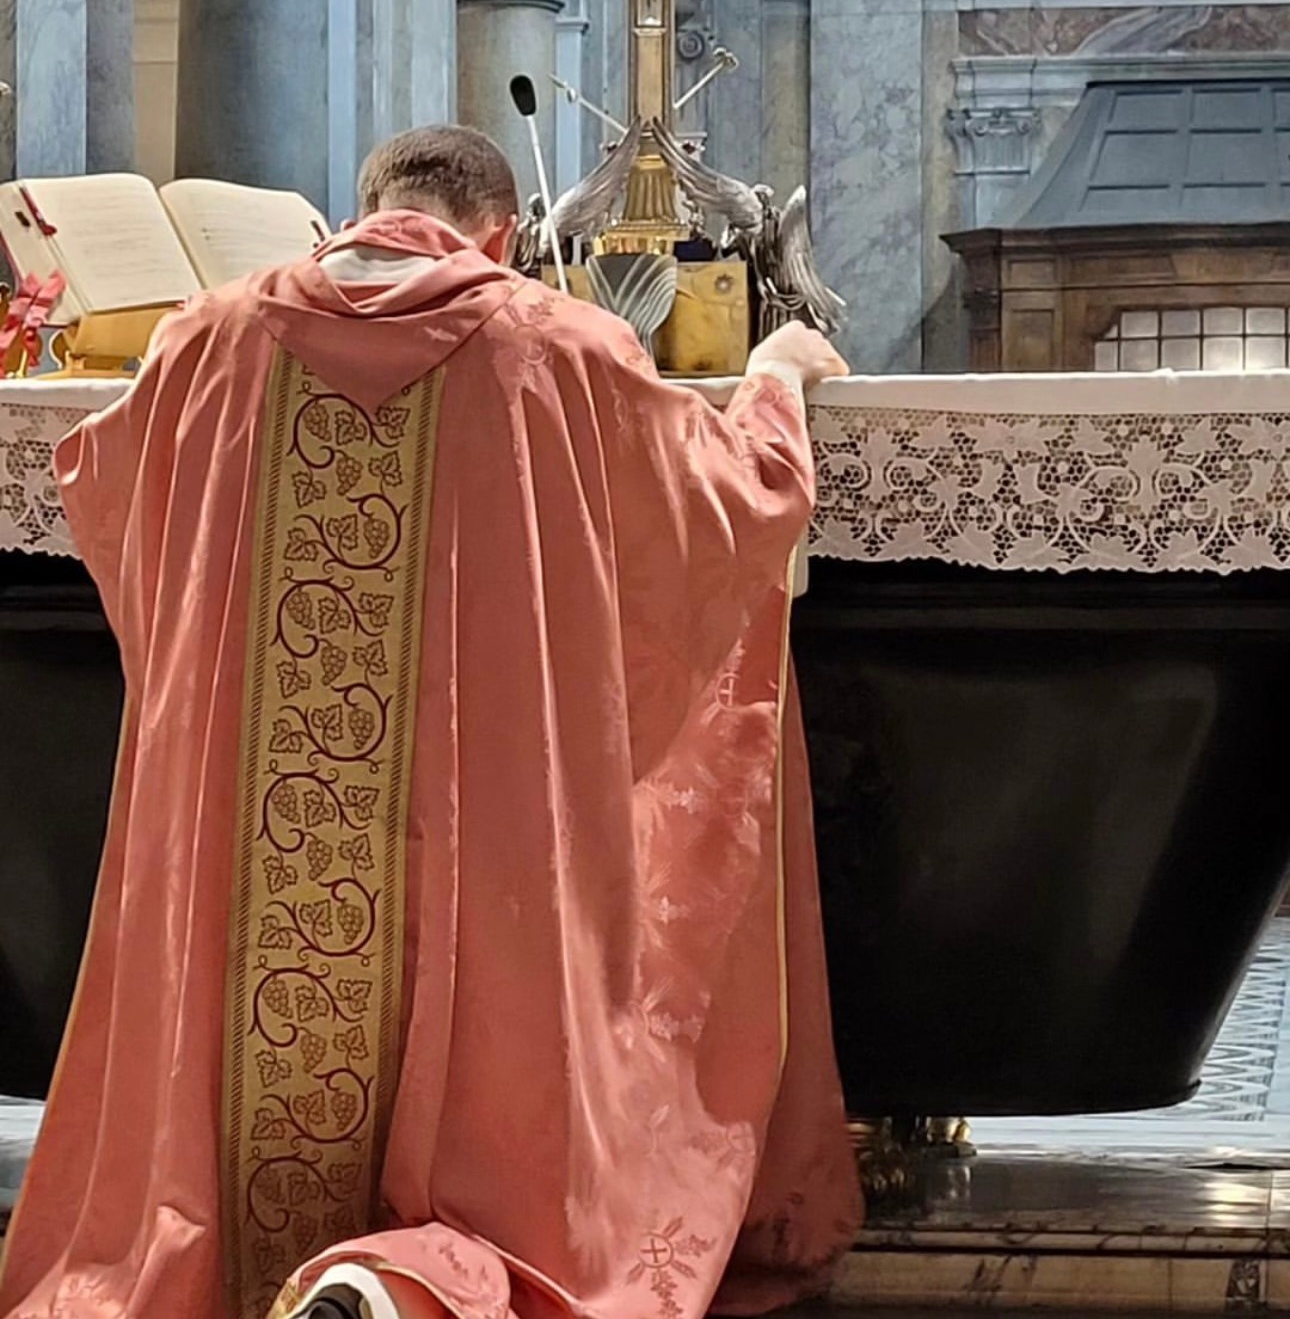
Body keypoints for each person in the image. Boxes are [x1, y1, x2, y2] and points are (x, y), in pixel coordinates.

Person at [0, 126, 859, 1319]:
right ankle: (402, 1281)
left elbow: (111, 497)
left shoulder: (206, 338)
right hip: (481, 834)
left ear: (362, 210)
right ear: (500, 235)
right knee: (491, 1122)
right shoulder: (556, 344)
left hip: (258, 842)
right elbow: (725, 504)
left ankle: (297, 1264)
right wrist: (774, 378)